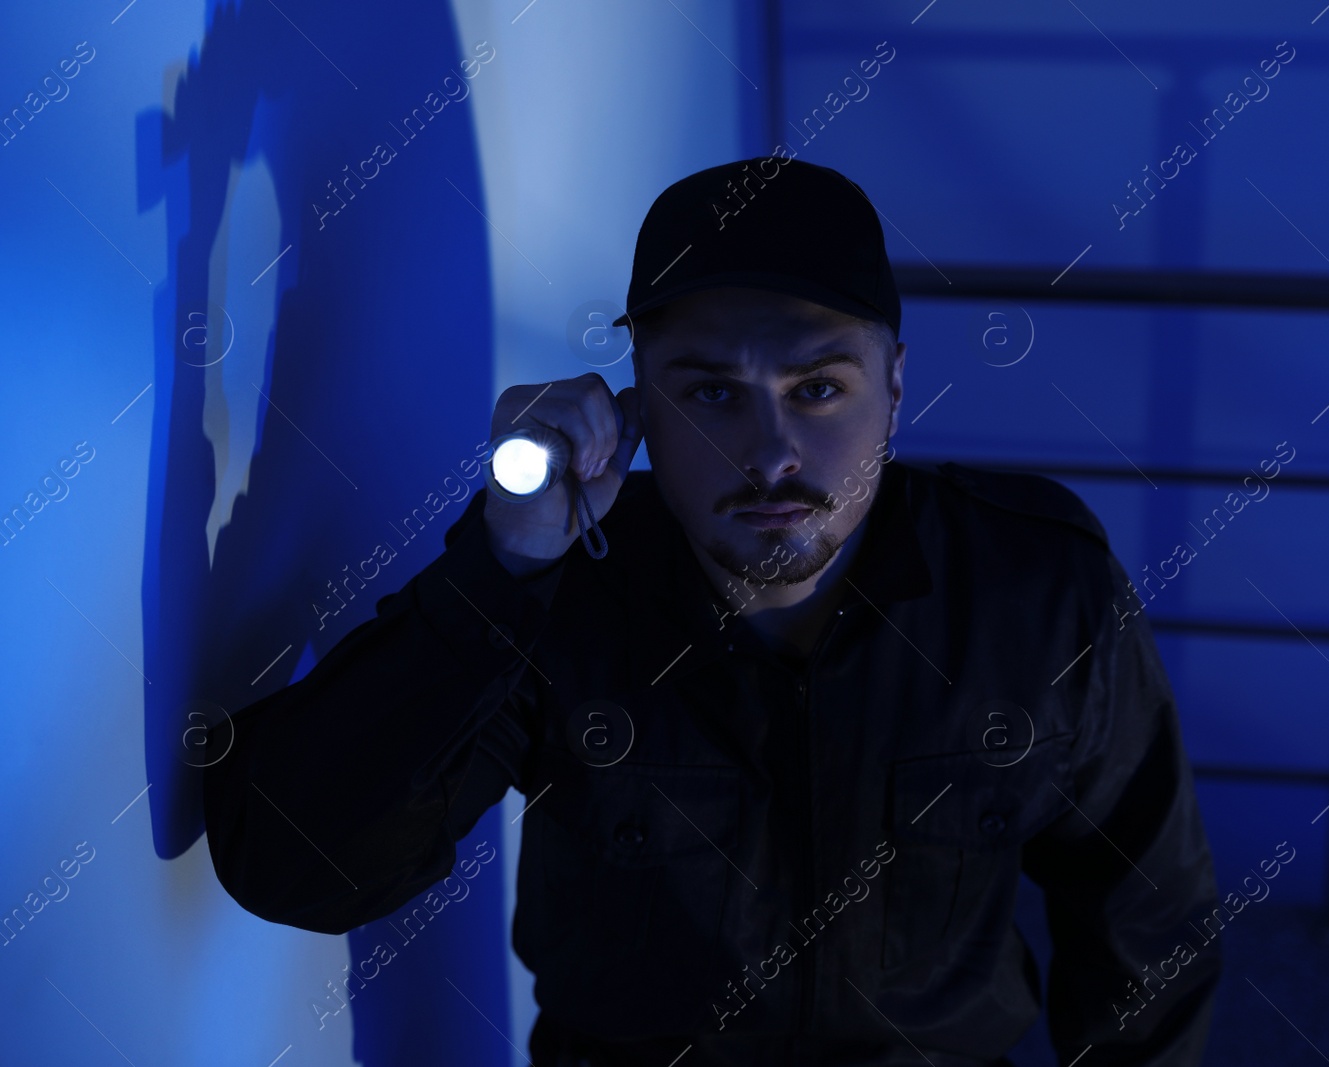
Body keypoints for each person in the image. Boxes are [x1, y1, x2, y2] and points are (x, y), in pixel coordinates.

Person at [204, 157, 1221, 1066]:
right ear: (637, 399)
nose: (770, 452)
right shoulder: (557, 589)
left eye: (817, 388)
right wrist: (504, 566)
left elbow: (1146, 916)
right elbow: (300, 871)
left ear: (895, 385)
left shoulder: (1033, 583)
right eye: (713, 394)